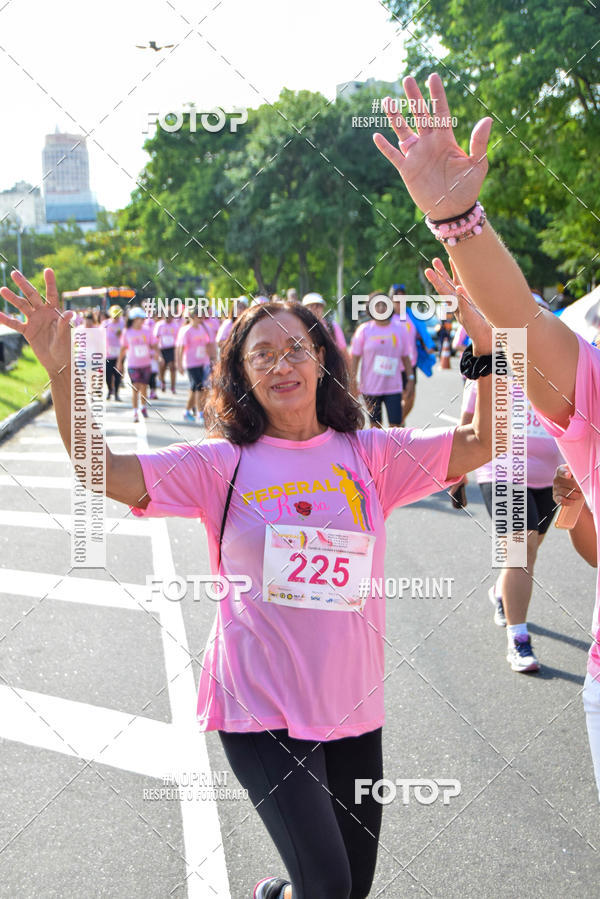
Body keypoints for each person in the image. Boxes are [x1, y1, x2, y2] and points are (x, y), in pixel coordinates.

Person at [0, 269, 493, 899]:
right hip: (258, 703)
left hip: (350, 702)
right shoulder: (221, 463)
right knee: (329, 887)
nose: (281, 364)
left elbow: (485, 440)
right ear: (242, 374)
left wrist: (490, 348)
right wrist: (62, 370)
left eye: (296, 349)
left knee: (352, 887)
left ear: (322, 361)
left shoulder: (368, 453)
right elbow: (104, 472)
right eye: (262, 354)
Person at [373, 72, 600, 794]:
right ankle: (518, 630)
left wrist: (574, 503)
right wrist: (458, 217)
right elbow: (522, 332)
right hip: (511, 472)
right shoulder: (586, 385)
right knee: (515, 558)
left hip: (556, 480)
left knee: (528, 554)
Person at [349, 292, 414, 428]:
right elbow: (355, 358)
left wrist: (411, 379)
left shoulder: (399, 329)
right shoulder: (364, 330)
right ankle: (378, 450)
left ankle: (395, 450)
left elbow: (406, 358)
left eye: (383, 304)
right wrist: (353, 381)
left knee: (396, 426)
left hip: (393, 388)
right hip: (370, 388)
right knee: (375, 428)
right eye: (376, 305)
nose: (380, 308)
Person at [176, 307, 216, 424]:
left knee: (195, 389)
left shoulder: (203, 329)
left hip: (203, 362)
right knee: (198, 387)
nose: (201, 318)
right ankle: (200, 413)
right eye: (199, 316)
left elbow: (209, 344)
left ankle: (187, 411)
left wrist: (213, 358)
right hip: (191, 363)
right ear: (192, 317)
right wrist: (179, 364)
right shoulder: (186, 331)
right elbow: (180, 348)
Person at [117, 307, 157, 422]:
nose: (142, 321)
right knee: (135, 387)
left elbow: (153, 344)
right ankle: (135, 411)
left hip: (145, 363)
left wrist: (156, 354)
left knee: (144, 386)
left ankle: (143, 407)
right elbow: (123, 348)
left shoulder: (147, 330)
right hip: (133, 364)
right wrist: (119, 362)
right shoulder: (127, 332)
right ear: (133, 319)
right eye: (139, 319)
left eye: (143, 319)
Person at [301, 292, 348, 363]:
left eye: (318, 305)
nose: (314, 309)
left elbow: (344, 353)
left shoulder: (333, 327)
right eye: (310, 306)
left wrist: (350, 373)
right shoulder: (298, 329)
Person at [154, 308, 179, 393]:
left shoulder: (175, 325)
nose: (168, 318)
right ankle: (162, 381)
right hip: (162, 349)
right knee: (162, 367)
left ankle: (173, 386)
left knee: (172, 367)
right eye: (166, 316)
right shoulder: (159, 325)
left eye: (170, 316)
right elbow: (155, 338)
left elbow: (178, 339)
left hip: (172, 348)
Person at [103, 305, 124, 401]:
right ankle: (110, 390)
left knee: (117, 374)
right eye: (115, 316)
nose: (116, 318)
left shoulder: (123, 324)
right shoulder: (106, 324)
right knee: (108, 374)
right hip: (108, 353)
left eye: (118, 316)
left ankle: (116, 393)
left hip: (119, 354)